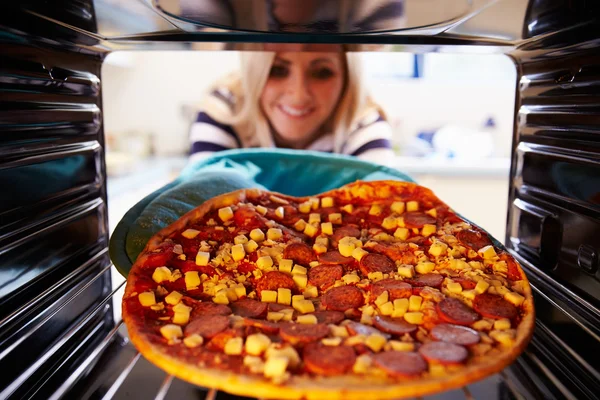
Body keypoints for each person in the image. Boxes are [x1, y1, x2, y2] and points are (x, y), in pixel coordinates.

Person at [188, 46, 396, 166]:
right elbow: (199, 202)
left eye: (322, 72)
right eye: (277, 70)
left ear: (347, 78)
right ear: (254, 74)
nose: (298, 96)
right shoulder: (225, 111)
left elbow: (388, 204)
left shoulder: (363, 121)